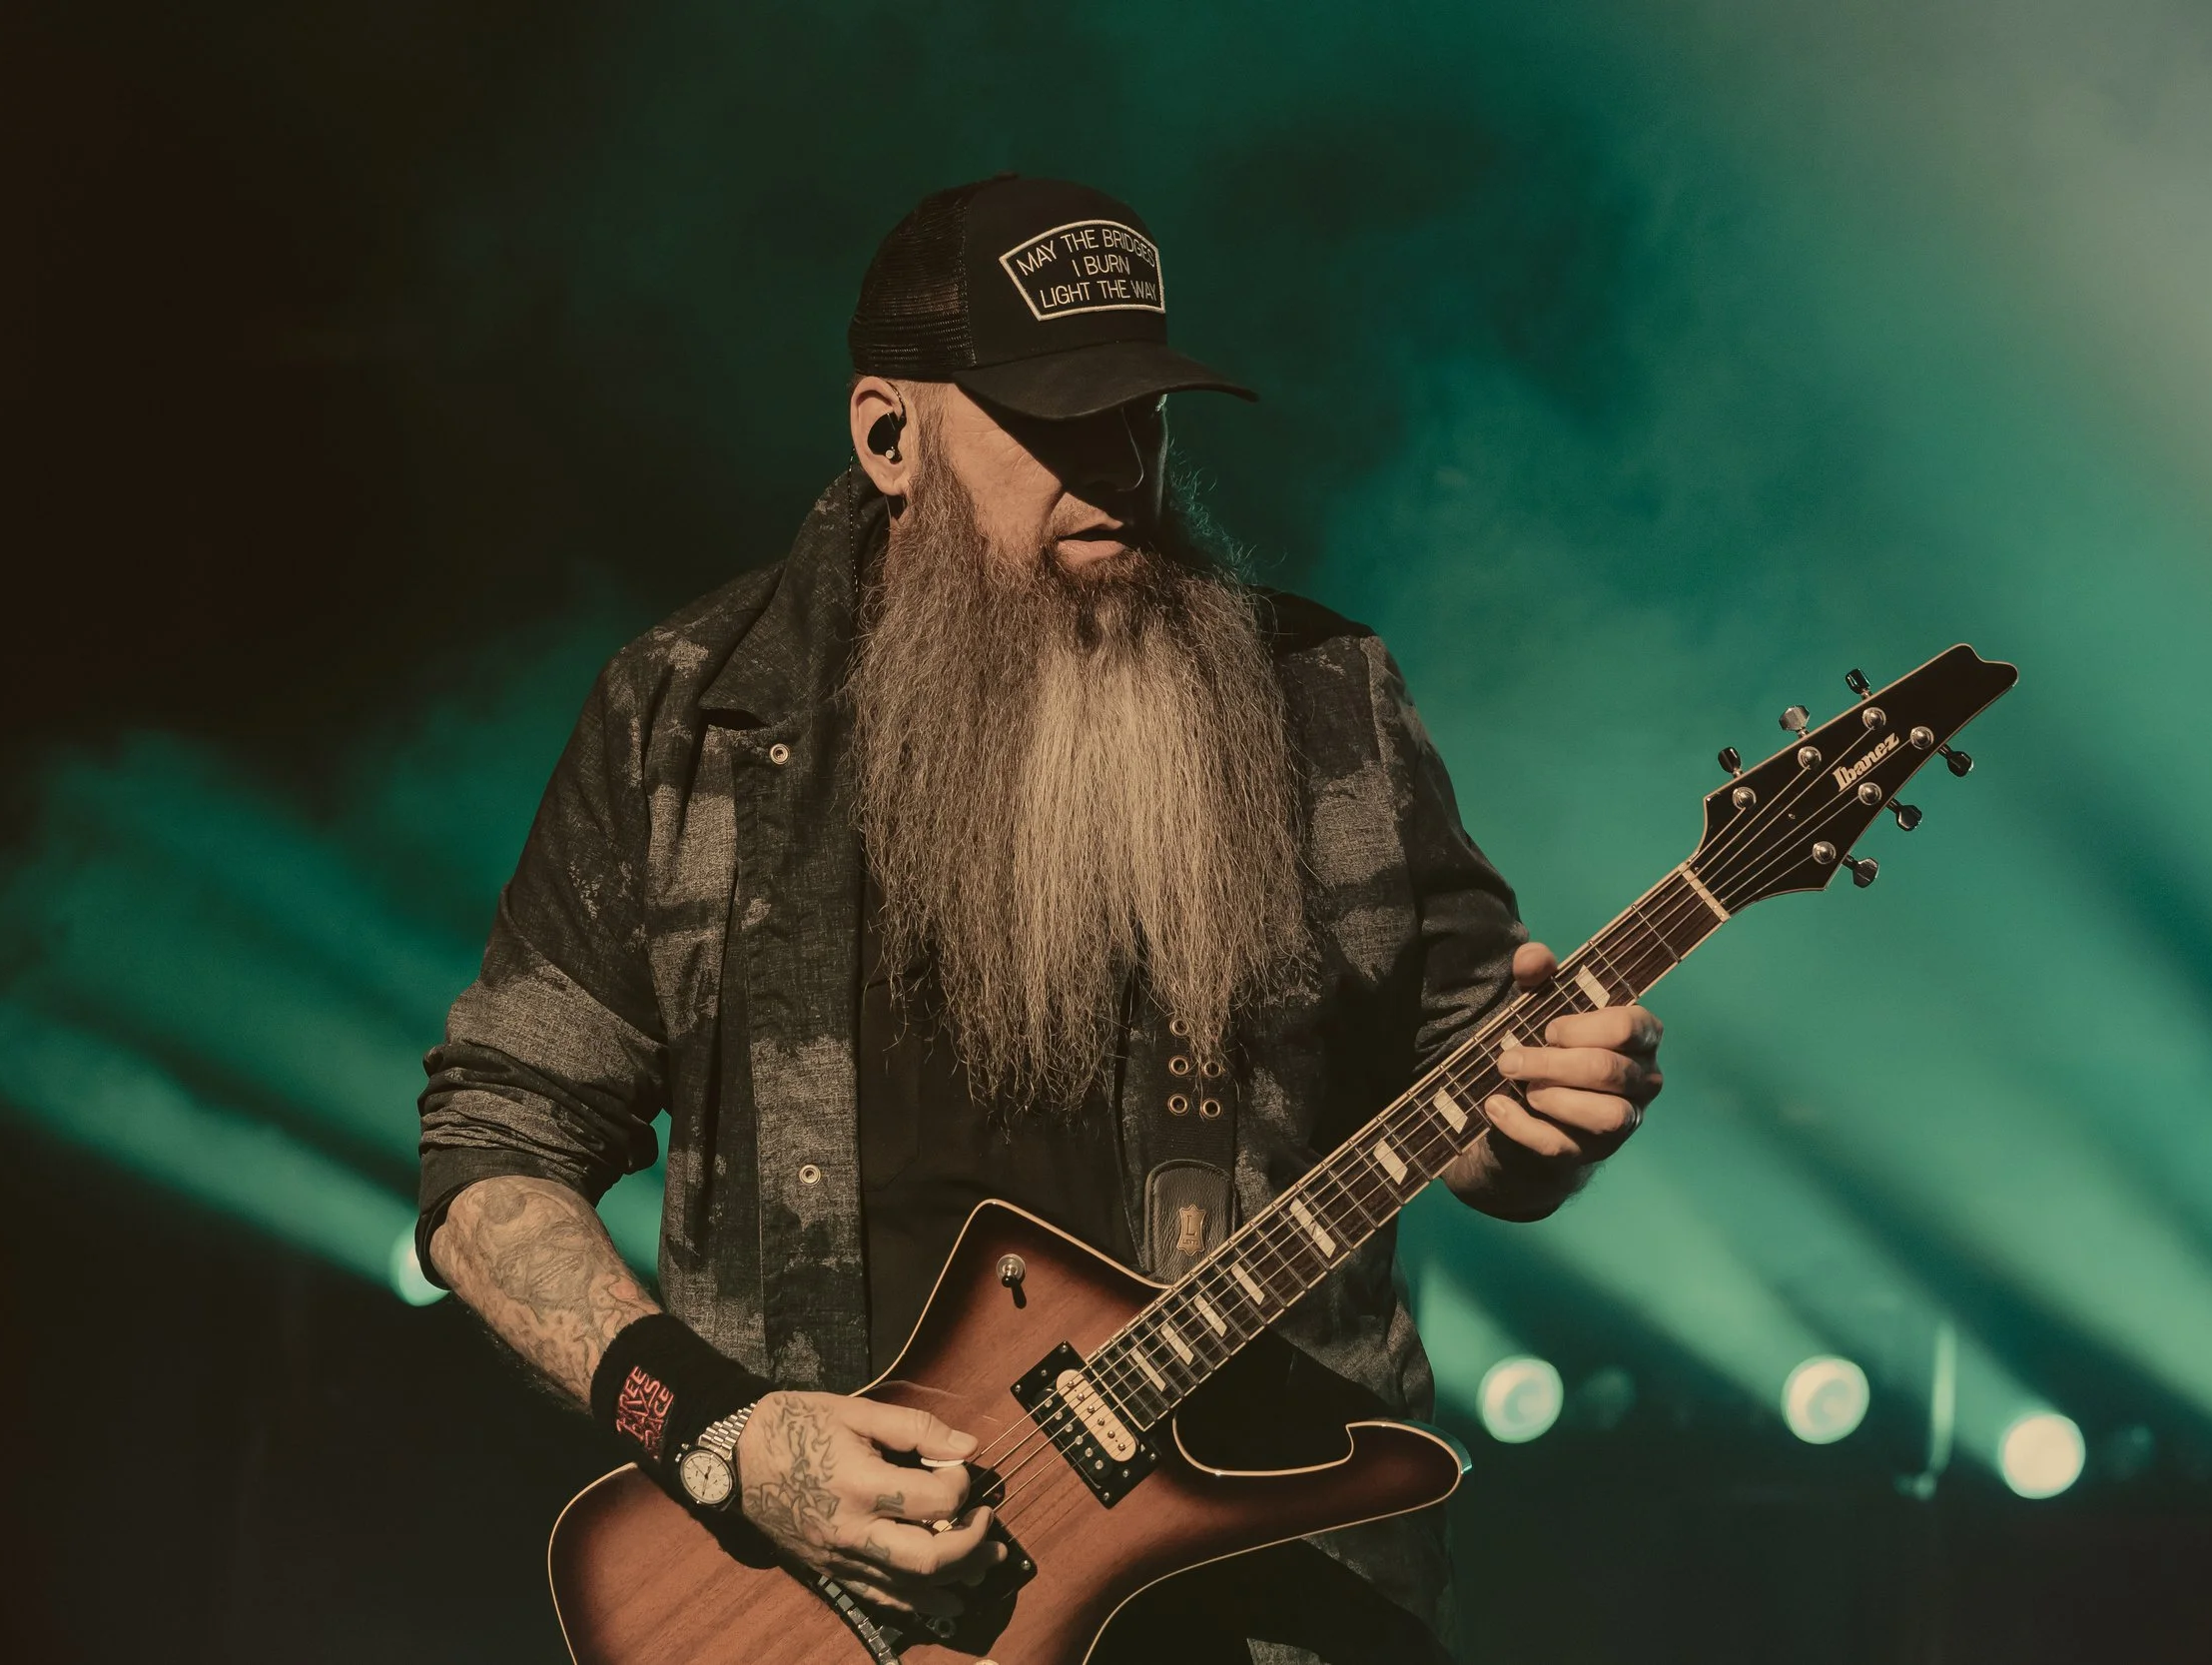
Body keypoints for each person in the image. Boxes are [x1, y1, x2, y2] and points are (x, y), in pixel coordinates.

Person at [416, 174, 1665, 1663]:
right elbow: (492, 1154)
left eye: (1143, 415)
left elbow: (1474, 1109)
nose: (1120, 466)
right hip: (834, 1615)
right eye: (1059, 421)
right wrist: (720, 1436)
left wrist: (1545, 1125)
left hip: (1266, 1606)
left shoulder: (1323, 702)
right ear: (891, 436)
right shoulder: (687, 719)